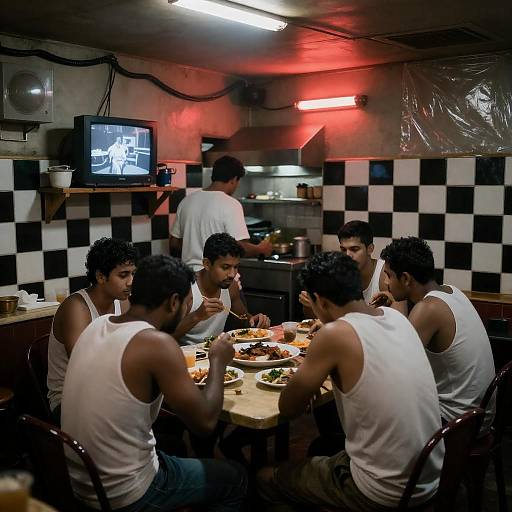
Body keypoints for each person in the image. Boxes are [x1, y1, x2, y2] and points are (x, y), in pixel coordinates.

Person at [258, 252, 443, 511]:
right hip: (428, 475)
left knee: (265, 479)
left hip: (383, 490)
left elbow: (288, 407)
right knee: (322, 448)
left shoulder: (335, 334)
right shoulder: (396, 318)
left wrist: (308, 375)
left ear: (319, 302)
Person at [61, 255, 248, 511]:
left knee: (173, 445)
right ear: (174, 302)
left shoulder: (98, 325)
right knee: (235, 478)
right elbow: (204, 423)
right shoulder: (157, 344)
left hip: (79, 481)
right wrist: (218, 361)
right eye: (187, 303)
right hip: (126, 492)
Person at [380, 236, 496, 430]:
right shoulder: (452, 291)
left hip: (458, 426)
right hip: (480, 416)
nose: (385, 282)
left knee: (382, 401)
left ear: (406, 278)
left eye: (388, 275)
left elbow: (392, 366)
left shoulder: (428, 309)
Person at [47, 237, 137, 422]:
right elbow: (84, 364)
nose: (131, 282)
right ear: (100, 277)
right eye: (123, 275)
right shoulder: (76, 307)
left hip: (108, 391)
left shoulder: (123, 302)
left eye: (133, 274)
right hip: (69, 401)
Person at [169, 155, 272, 270]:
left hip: (189, 277)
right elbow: (239, 247)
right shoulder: (231, 204)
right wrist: (261, 249)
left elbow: (174, 243)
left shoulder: (187, 201)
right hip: (215, 280)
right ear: (234, 179)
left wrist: (193, 248)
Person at [173, 232, 270, 345]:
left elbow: (243, 320)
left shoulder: (231, 287)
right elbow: (167, 335)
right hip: (187, 357)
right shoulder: (187, 288)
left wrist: (255, 321)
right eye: (225, 267)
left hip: (216, 353)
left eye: (236, 267)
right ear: (207, 264)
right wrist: (197, 315)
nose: (232, 274)